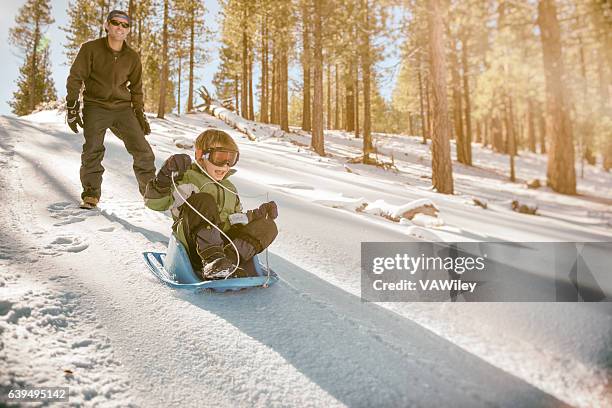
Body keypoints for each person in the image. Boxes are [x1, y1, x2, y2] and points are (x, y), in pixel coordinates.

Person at [144, 129, 278, 280]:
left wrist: (258, 216)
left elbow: (235, 220)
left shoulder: (230, 187)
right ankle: (213, 261)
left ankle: (229, 262)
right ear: (201, 156)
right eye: (220, 157)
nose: (226, 165)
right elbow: (155, 203)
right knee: (203, 200)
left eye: (231, 159)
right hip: (193, 246)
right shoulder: (186, 178)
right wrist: (164, 177)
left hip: (225, 246)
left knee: (268, 225)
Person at [66, 10, 155, 209]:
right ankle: (91, 194)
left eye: (125, 25)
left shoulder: (132, 57)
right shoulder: (90, 49)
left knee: (143, 151)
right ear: (107, 25)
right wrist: (72, 106)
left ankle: (151, 195)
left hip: (123, 109)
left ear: (129, 30)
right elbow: (75, 78)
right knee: (93, 149)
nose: (120, 27)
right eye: (116, 23)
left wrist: (139, 114)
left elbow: (137, 88)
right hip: (95, 106)